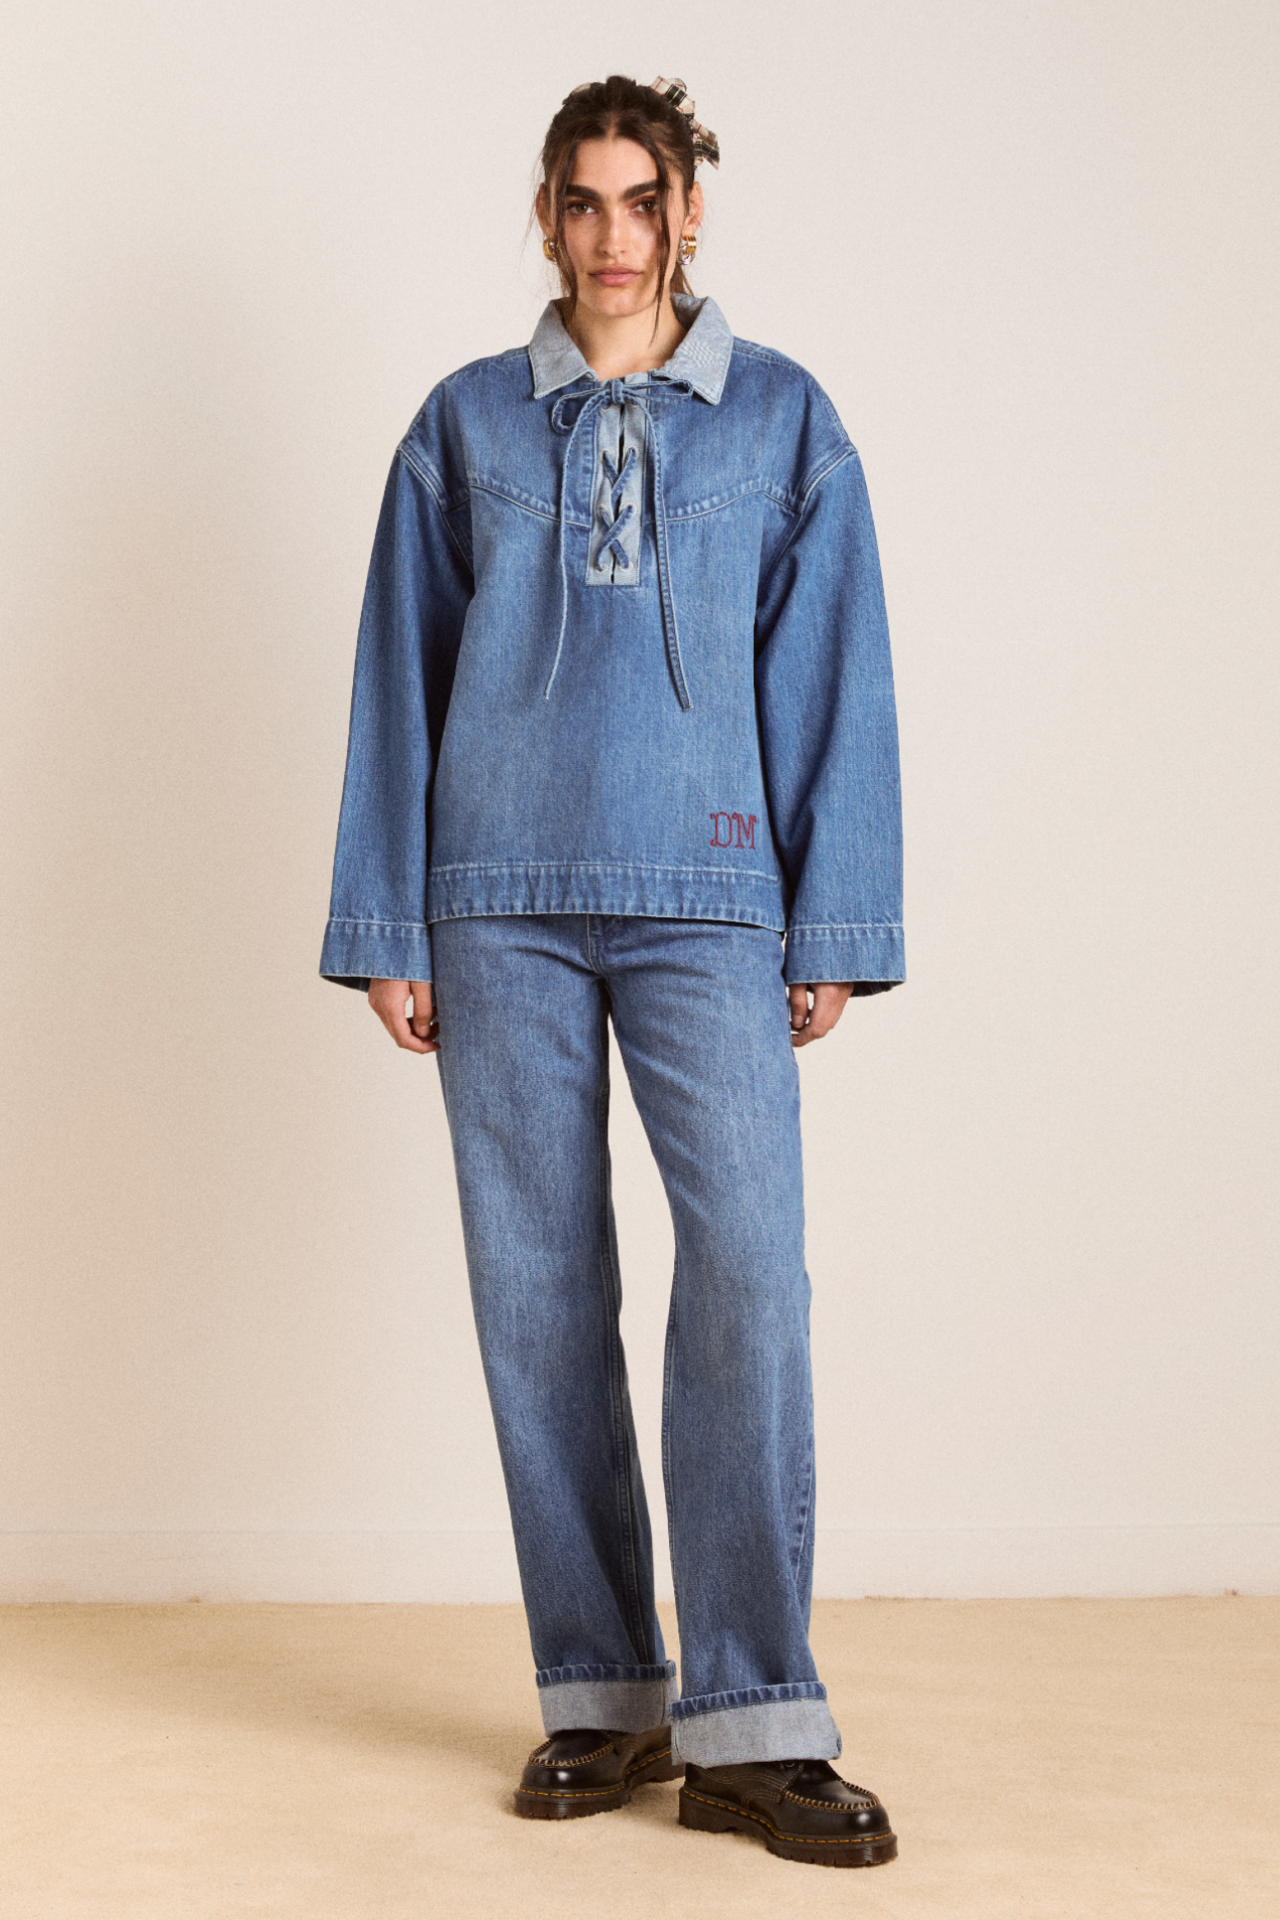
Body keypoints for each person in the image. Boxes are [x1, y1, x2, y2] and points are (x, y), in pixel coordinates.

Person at [320, 73, 904, 1869]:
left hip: (710, 899)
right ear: (548, 217)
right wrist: (388, 921)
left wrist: (834, 919)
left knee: (749, 1281)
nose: (611, 236)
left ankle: (757, 1717)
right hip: (494, 899)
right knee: (538, 1294)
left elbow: (834, 669)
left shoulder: (781, 421)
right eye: (580, 202)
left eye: (641, 200)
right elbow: (400, 671)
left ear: (688, 213)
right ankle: (601, 1690)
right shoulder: (465, 424)